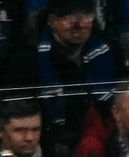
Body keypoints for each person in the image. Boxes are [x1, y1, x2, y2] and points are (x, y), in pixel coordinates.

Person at [12, 0, 118, 147]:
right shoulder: (29, 60)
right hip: (48, 141)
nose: (79, 24)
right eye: (69, 16)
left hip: (100, 138)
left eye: (86, 15)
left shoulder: (108, 51)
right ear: (52, 21)